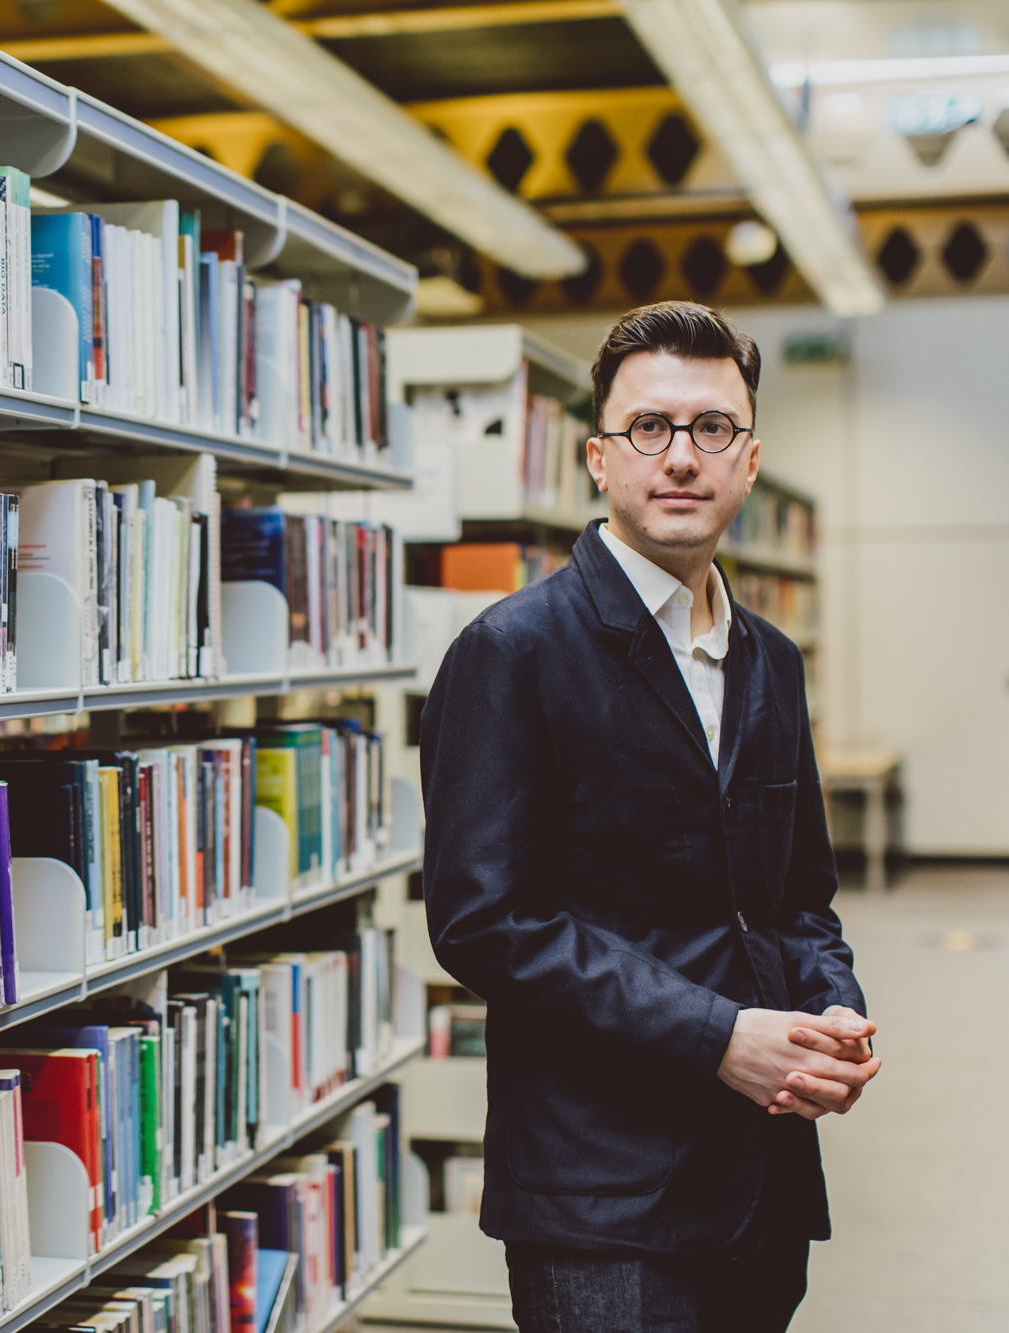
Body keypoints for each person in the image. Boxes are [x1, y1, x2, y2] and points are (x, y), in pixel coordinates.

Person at [417, 301, 881, 1332]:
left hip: (760, 1178)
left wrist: (830, 1012)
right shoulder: (512, 652)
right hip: (602, 1196)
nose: (679, 456)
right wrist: (718, 1036)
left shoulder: (771, 660)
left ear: (748, 462)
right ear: (597, 457)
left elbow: (797, 897)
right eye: (648, 427)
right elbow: (485, 923)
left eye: (711, 428)